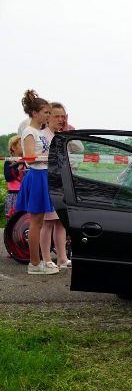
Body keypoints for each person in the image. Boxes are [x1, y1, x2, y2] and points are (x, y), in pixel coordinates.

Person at [16, 90, 58, 275]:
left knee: (39, 221)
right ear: (35, 113)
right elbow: (30, 158)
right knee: (36, 222)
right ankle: (34, 263)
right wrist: (50, 156)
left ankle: (37, 261)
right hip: (37, 176)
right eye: (46, 112)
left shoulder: (39, 132)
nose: (48, 115)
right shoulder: (29, 131)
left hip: (44, 175)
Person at [39, 102, 81, 269]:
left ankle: (62, 258)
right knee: (47, 222)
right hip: (48, 181)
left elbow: (79, 148)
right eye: (57, 116)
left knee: (60, 222)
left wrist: (69, 131)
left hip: (62, 182)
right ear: (48, 117)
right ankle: (47, 258)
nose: (60, 119)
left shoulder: (63, 134)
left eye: (63, 116)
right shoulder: (42, 135)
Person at [4, 136, 25, 218]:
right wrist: (18, 170)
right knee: (13, 220)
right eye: (21, 144)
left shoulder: (26, 160)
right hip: (14, 194)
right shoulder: (9, 162)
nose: (23, 147)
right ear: (13, 147)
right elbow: (8, 178)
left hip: (25, 193)